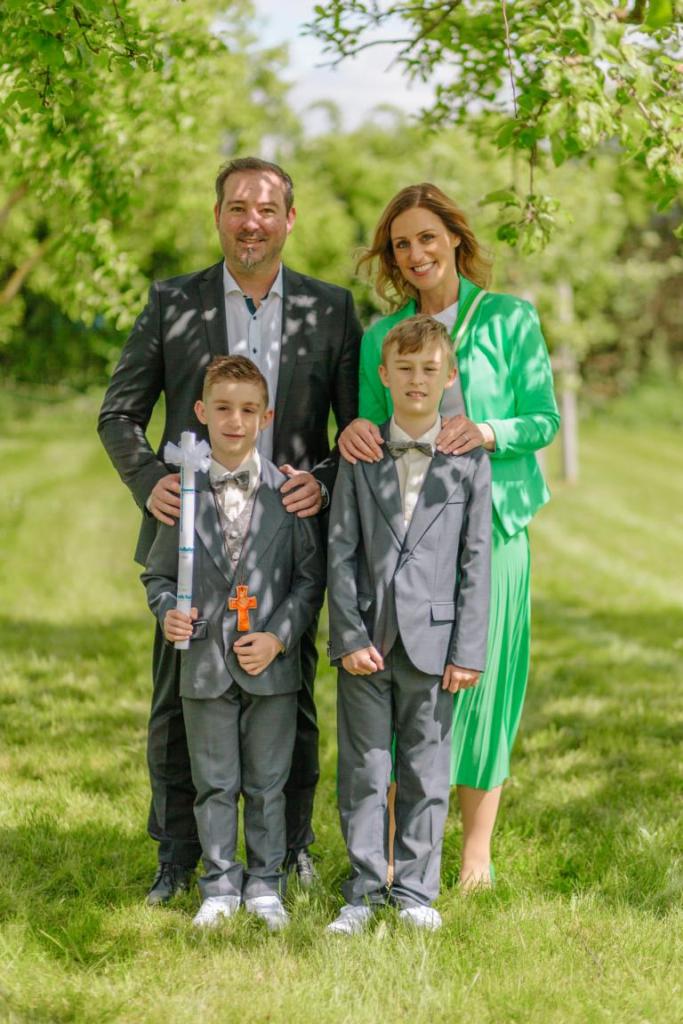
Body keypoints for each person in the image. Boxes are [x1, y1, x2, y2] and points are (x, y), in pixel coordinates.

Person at [98, 157, 361, 903]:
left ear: (289, 219)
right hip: (195, 540)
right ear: (217, 214)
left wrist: (325, 481)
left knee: (291, 699)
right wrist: (151, 481)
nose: (252, 222)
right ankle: (178, 853)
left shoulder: (329, 309)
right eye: (238, 207)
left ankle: (291, 847)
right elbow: (118, 414)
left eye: (267, 209)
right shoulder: (172, 302)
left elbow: (354, 430)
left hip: (284, 537)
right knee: (178, 699)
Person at [339, 183, 560, 888]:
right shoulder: (380, 337)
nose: (415, 253)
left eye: (427, 237)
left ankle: (474, 854)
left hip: (494, 529)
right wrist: (353, 430)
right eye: (401, 243)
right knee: (403, 686)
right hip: (405, 541)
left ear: (456, 239)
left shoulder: (509, 320)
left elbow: (543, 419)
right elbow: (371, 429)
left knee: (482, 687)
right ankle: (398, 852)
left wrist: (487, 431)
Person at [142, 356, 324, 930]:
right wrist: (169, 611)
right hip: (204, 663)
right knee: (214, 782)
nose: (235, 421)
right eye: (222, 408)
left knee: (268, 782)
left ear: (266, 417)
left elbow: (309, 581)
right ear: (201, 412)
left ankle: (265, 884)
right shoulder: (182, 495)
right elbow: (158, 577)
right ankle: (219, 884)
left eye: (248, 410)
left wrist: (278, 637)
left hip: (270, 665)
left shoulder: (289, 494)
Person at [326, 315, 491, 934]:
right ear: (384, 374)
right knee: (365, 769)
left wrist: (467, 650)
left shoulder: (469, 461)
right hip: (367, 642)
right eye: (405, 368)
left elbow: (476, 560)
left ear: (449, 376)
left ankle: (417, 891)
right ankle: (364, 892)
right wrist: (347, 635)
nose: (417, 379)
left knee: (426, 769)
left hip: (436, 644)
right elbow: (341, 550)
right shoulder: (360, 454)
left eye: (429, 369)